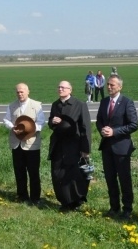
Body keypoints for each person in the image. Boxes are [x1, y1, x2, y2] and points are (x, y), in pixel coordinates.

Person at [96, 75, 138, 219]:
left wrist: (114, 132)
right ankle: (114, 207)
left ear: (120, 87)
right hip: (107, 147)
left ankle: (127, 208)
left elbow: (134, 125)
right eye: (108, 84)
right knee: (110, 178)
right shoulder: (104, 102)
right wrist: (102, 129)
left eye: (112, 85)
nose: (109, 87)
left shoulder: (127, 102)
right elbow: (99, 121)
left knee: (124, 179)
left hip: (121, 147)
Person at [49, 80, 92, 212]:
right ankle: (63, 200)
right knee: (57, 173)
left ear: (70, 90)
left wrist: (86, 149)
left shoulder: (79, 104)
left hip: (74, 145)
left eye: (63, 87)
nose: (60, 89)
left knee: (73, 174)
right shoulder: (55, 105)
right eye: (59, 87)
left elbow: (86, 127)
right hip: (58, 145)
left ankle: (75, 201)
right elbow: (51, 124)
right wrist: (53, 121)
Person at [2, 83, 45, 205]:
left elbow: (41, 122)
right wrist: (12, 127)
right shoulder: (12, 106)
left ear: (28, 92)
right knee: (19, 171)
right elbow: (6, 119)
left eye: (22, 92)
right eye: (18, 92)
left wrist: (29, 129)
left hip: (32, 145)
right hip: (16, 144)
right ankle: (22, 195)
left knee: (33, 172)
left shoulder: (37, 105)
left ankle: (35, 197)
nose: (20, 94)